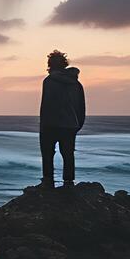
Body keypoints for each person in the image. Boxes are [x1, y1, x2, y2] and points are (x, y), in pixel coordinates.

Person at [39, 50, 86, 188]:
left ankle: (48, 181)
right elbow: (81, 106)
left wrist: (43, 125)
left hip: (50, 124)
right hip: (70, 125)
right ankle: (68, 182)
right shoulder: (76, 83)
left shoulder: (48, 81)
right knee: (68, 155)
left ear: (50, 65)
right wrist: (78, 124)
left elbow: (46, 104)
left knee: (47, 154)